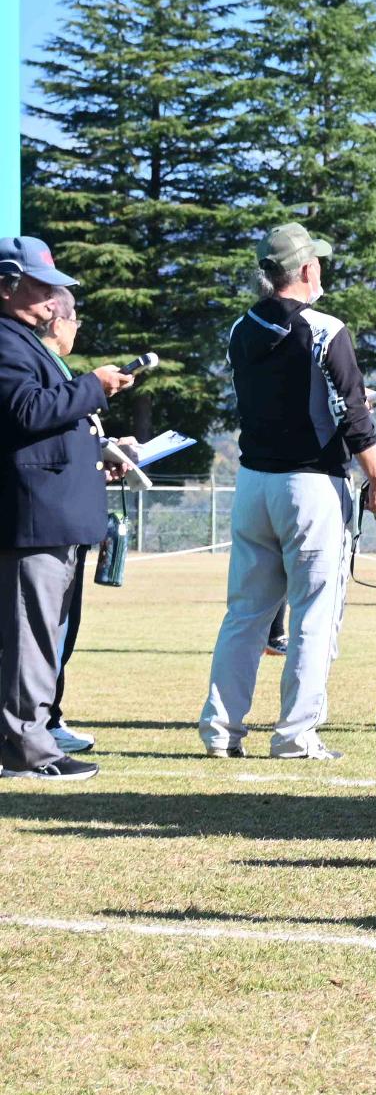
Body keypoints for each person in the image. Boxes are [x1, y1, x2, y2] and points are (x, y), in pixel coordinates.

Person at [199, 224, 376, 761]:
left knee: (244, 614)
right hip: (310, 484)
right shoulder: (327, 327)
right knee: (313, 612)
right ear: (307, 269)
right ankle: (294, 735)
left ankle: (220, 731)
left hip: (253, 482)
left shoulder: (241, 327)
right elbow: (353, 413)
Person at [2, 241, 134, 780]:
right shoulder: (6, 340)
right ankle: (27, 751)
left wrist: (94, 453)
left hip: (50, 514)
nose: (55, 301)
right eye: (41, 287)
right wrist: (93, 386)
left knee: (36, 637)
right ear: (6, 283)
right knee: (30, 641)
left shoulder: (21, 339)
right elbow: (27, 412)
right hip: (33, 519)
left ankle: (27, 742)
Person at [37, 286, 136, 756]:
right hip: (43, 517)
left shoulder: (55, 366)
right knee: (41, 632)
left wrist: (104, 450)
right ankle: (35, 727)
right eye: (75, 320)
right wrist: (95, 384)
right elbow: (33, 417)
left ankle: (46, 718)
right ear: (57, 321)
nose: (77, 329)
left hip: (68, 516)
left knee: (60, 629)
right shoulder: (28, 358)